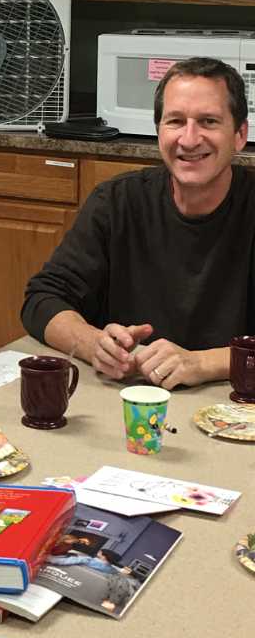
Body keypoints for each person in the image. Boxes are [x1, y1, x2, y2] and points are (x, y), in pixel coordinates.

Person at [22, 56, 255, 390]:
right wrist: (93, 343)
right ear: (158, 131)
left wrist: (202, 363)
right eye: (176, 121)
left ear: (239, 134)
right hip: (126, 397)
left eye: (208, 121)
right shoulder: (116, 202)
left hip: (234, 404)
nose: (189, 139)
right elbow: (42, 299)